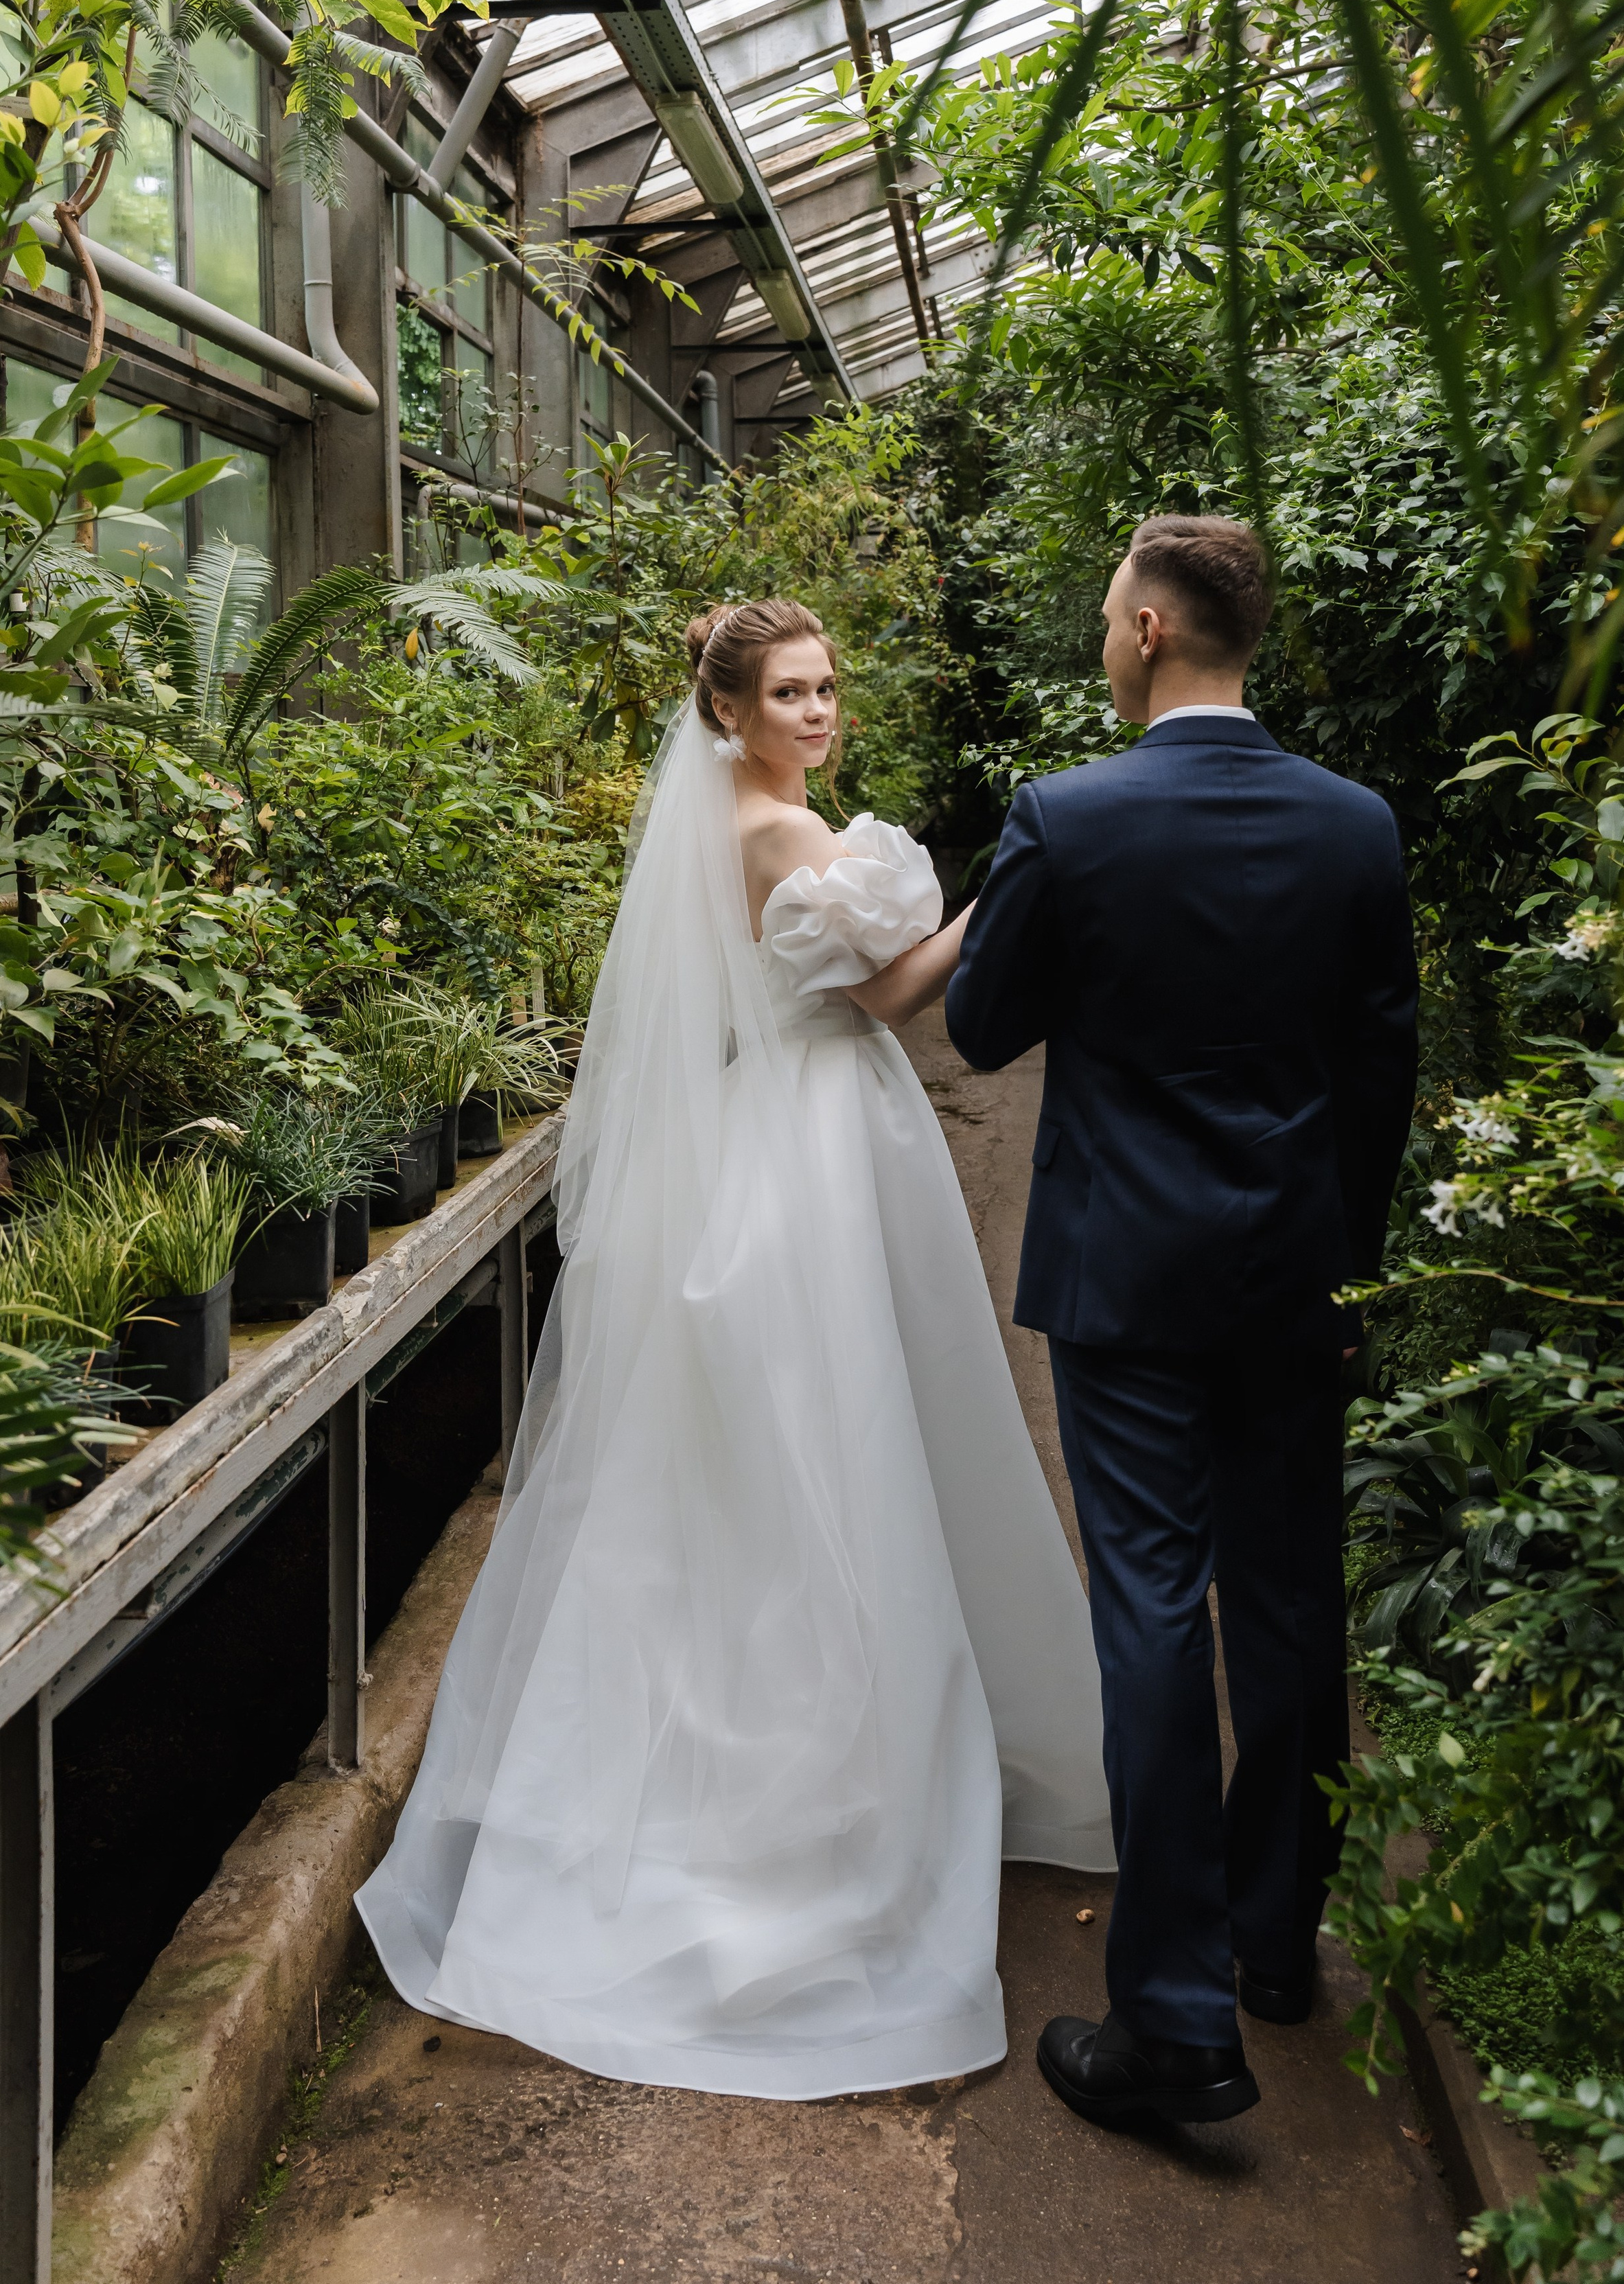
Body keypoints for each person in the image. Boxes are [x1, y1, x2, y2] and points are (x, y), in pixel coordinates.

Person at [357, 597, 1113, 2100]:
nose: (820, 711)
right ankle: (819, 1789)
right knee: (839, 1438)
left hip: (800, 1129)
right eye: (789, 691)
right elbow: (893, 999)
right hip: (815, 1139)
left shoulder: (761, 809)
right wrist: (1006, 897)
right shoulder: (772, 831)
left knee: (810, 1437)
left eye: (829, 685)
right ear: (728, 709)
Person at [947, 514, 1418, 2129]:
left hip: (1125, 1281)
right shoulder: (1355, 827)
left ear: (1149, 629)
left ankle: (1170, 2018)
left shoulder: (1066, 818)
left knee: (1150, 1608)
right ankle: (1274, 1944)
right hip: (1293, 1275)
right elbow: (1377, 1079)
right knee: (1288, 1604)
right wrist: (1348, 1276)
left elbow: (985, 1019)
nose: (1101, 633)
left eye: (1104, 614)